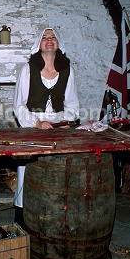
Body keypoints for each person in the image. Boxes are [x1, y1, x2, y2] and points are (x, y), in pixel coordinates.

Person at [12, 27, 80, 224]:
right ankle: (22, 219)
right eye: (45, 38)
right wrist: (37, 122)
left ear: (58, 42)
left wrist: (64, 121)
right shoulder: (28, 69)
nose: (49, 41)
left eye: (53, 37)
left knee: (56, 171)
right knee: (27, 171)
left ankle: (54, 216)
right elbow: (19, 104)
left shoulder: (67, 69)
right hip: (32, 124)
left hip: (57, 126)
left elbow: (73, 104)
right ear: (38, 43)